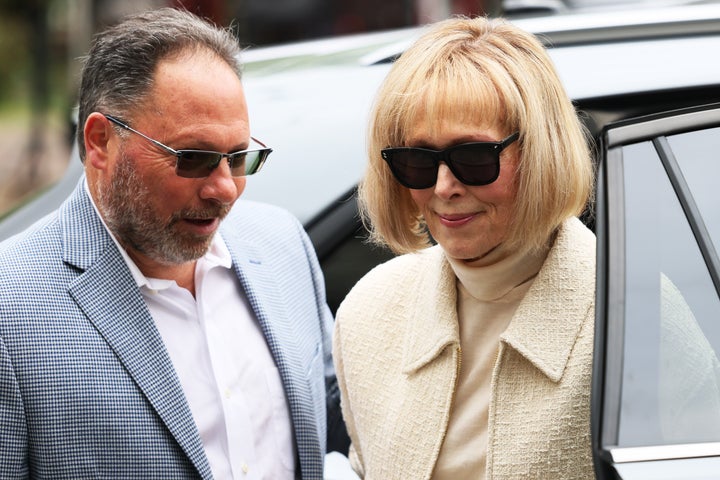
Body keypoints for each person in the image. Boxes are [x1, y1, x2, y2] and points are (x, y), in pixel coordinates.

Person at [0, 8, 348, 479]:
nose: (224, 188)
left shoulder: (283, 244)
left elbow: (336, 422)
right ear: (101, 141)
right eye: (194, 158)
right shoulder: (12, 305)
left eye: (239, 156)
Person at [333, 15, 596, 479]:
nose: (444, 186)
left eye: (473, 157)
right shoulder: (370, 311)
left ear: (540, 151)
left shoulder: (630, 310)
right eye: (417, 161)